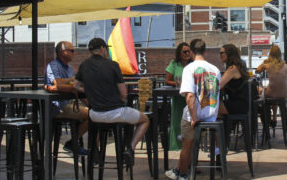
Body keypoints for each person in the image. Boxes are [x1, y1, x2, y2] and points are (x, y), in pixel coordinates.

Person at [74, 38, 149, 166]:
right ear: (102, 48)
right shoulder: (112, 65)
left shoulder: (84, 65)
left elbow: (76, 86)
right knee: (145, 119)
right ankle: (130, 148)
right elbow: (123, 93)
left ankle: (95, 155)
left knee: (98, 123)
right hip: (115, 112)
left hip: (95, 114)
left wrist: (90, 90)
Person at [165, 39, 220, 180]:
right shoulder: (215, 70)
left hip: (194, 116)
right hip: (210, 117)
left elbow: (189, 96)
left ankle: (182, 174)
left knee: (187, 144)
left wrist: (194, 118)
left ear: (192, 52)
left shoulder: (189, 69)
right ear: (205, 51)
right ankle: (178, 170)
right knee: (189, 144)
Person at [45, 41, 89, 155]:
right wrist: (70, 85)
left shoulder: (69, 68)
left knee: (94, 112)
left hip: (69, 105)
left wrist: (69, 86)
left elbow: (73, 86)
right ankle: (72, 143)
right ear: (63, 52)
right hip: (57, 107)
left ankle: (78, 144)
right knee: (92, 115)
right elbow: (58, 84)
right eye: (72, 50)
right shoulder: (53, 66)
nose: (74, 53)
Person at [164, 42, 192, 151]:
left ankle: (189, 145)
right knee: (176, 122)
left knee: (190, 124)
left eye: (189, 51)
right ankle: (177, 146)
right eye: (185, 51)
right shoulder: (174, 64)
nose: (187, 53)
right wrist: (177, 83)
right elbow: (167, 81)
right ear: (179, 53)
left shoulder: (193, 64)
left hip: (190, 97)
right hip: (178, 97)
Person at [256, 45, 287, 127]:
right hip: (284, 94)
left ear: (270, 54)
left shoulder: (267, 65)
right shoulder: (285, 66)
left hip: (271, 93)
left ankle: (267, 120)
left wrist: (264, 62)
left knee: (267, 94)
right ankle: (274, 118)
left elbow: (257, 70)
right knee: (276, 95)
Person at [219, 44, 250, 115]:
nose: (220, 55)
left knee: (210, 109)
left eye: (221, 53)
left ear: (229, 54)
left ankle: (224, 126)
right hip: (242, 103)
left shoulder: (232, 69)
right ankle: (227, 125)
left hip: (238, 105)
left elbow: (219, 86)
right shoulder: (236, 67)